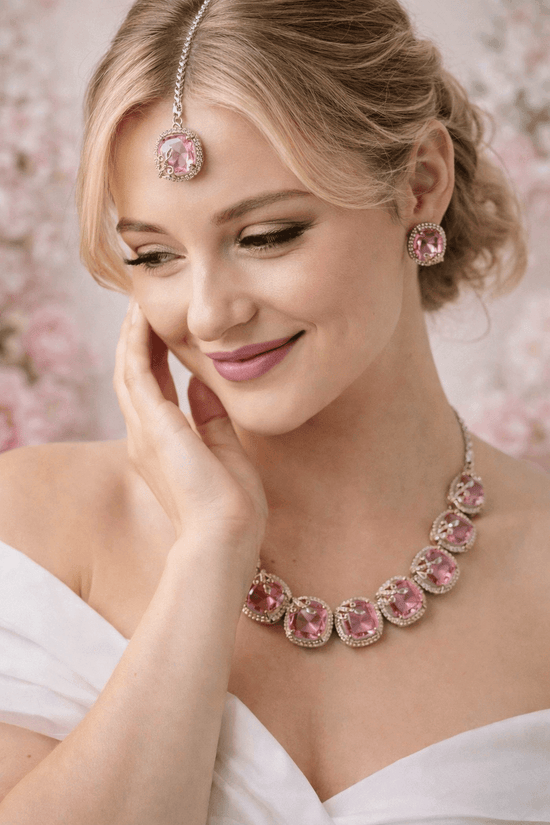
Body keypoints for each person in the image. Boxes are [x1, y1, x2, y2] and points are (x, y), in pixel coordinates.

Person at [0, 0, 549, 822]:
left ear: (420, 186)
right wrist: (211, 551)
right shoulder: (33, 531)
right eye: (155, 255)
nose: (208, 313)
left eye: (265, 235)